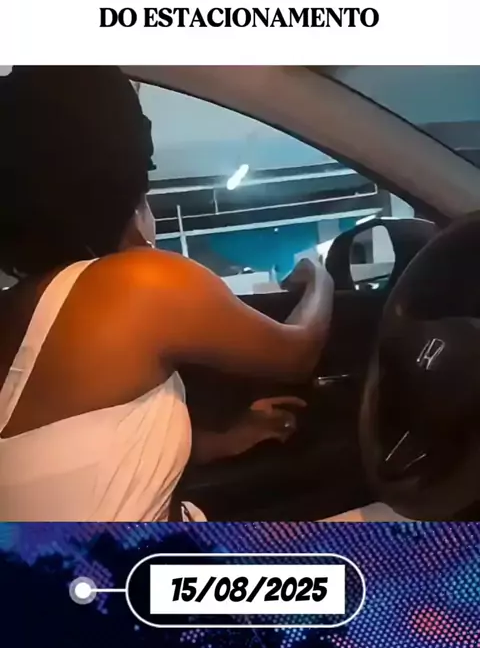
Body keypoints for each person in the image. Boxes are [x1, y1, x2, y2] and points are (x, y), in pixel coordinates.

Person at [0, 66, 334, 522]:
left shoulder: (16, 307)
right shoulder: (140, 282)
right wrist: (319, 273)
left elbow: (64, 461)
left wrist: (218, 441)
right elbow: (298, 352)